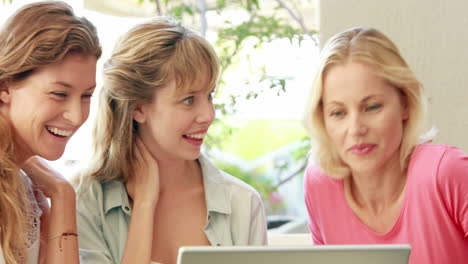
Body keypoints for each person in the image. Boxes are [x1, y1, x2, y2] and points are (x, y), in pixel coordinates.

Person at [75, 17, 267, 264]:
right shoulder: (85, 201)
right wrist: (145, 205)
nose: (208, 115)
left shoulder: (242, 203)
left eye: (209, 95)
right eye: (188, 99)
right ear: (138, 108)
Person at [303, 27, 467, 264]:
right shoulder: (321, 183)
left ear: (405, 104)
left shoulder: (447, 173)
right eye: (338, 113)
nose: (356, 128)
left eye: (372, 107)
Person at [0, 1, 101, 264]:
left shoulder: (26, 189)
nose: (77, 116)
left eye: (86, 96)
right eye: (59, 94)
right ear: (5, 86)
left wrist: (63, 196)